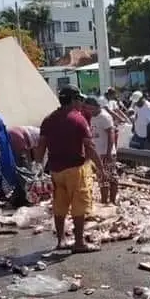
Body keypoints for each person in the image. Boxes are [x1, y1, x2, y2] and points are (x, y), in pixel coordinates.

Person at [38, 86, 106, 253]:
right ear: (73, 100)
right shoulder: (78, 119)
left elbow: (41, 146)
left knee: (59, 205)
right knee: (79, 206)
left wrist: (38, 167)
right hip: (76, 169)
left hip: (55, 170)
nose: (81, 103)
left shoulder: (48, 120)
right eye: (79, 99)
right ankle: (79, 243)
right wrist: (100, 168)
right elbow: (89, 147)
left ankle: (61, 240)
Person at [86, 96, 118, 204]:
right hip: (98, 153)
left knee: (111, 178)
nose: (90, 111)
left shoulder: (104, 117)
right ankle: (105, 201)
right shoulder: (92, 117)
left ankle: (111, 201)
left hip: (106, 153)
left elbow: (111, 134)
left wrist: (109, 152)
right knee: (102, 179)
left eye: (91, 109)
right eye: (88, 109)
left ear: (97, 107)